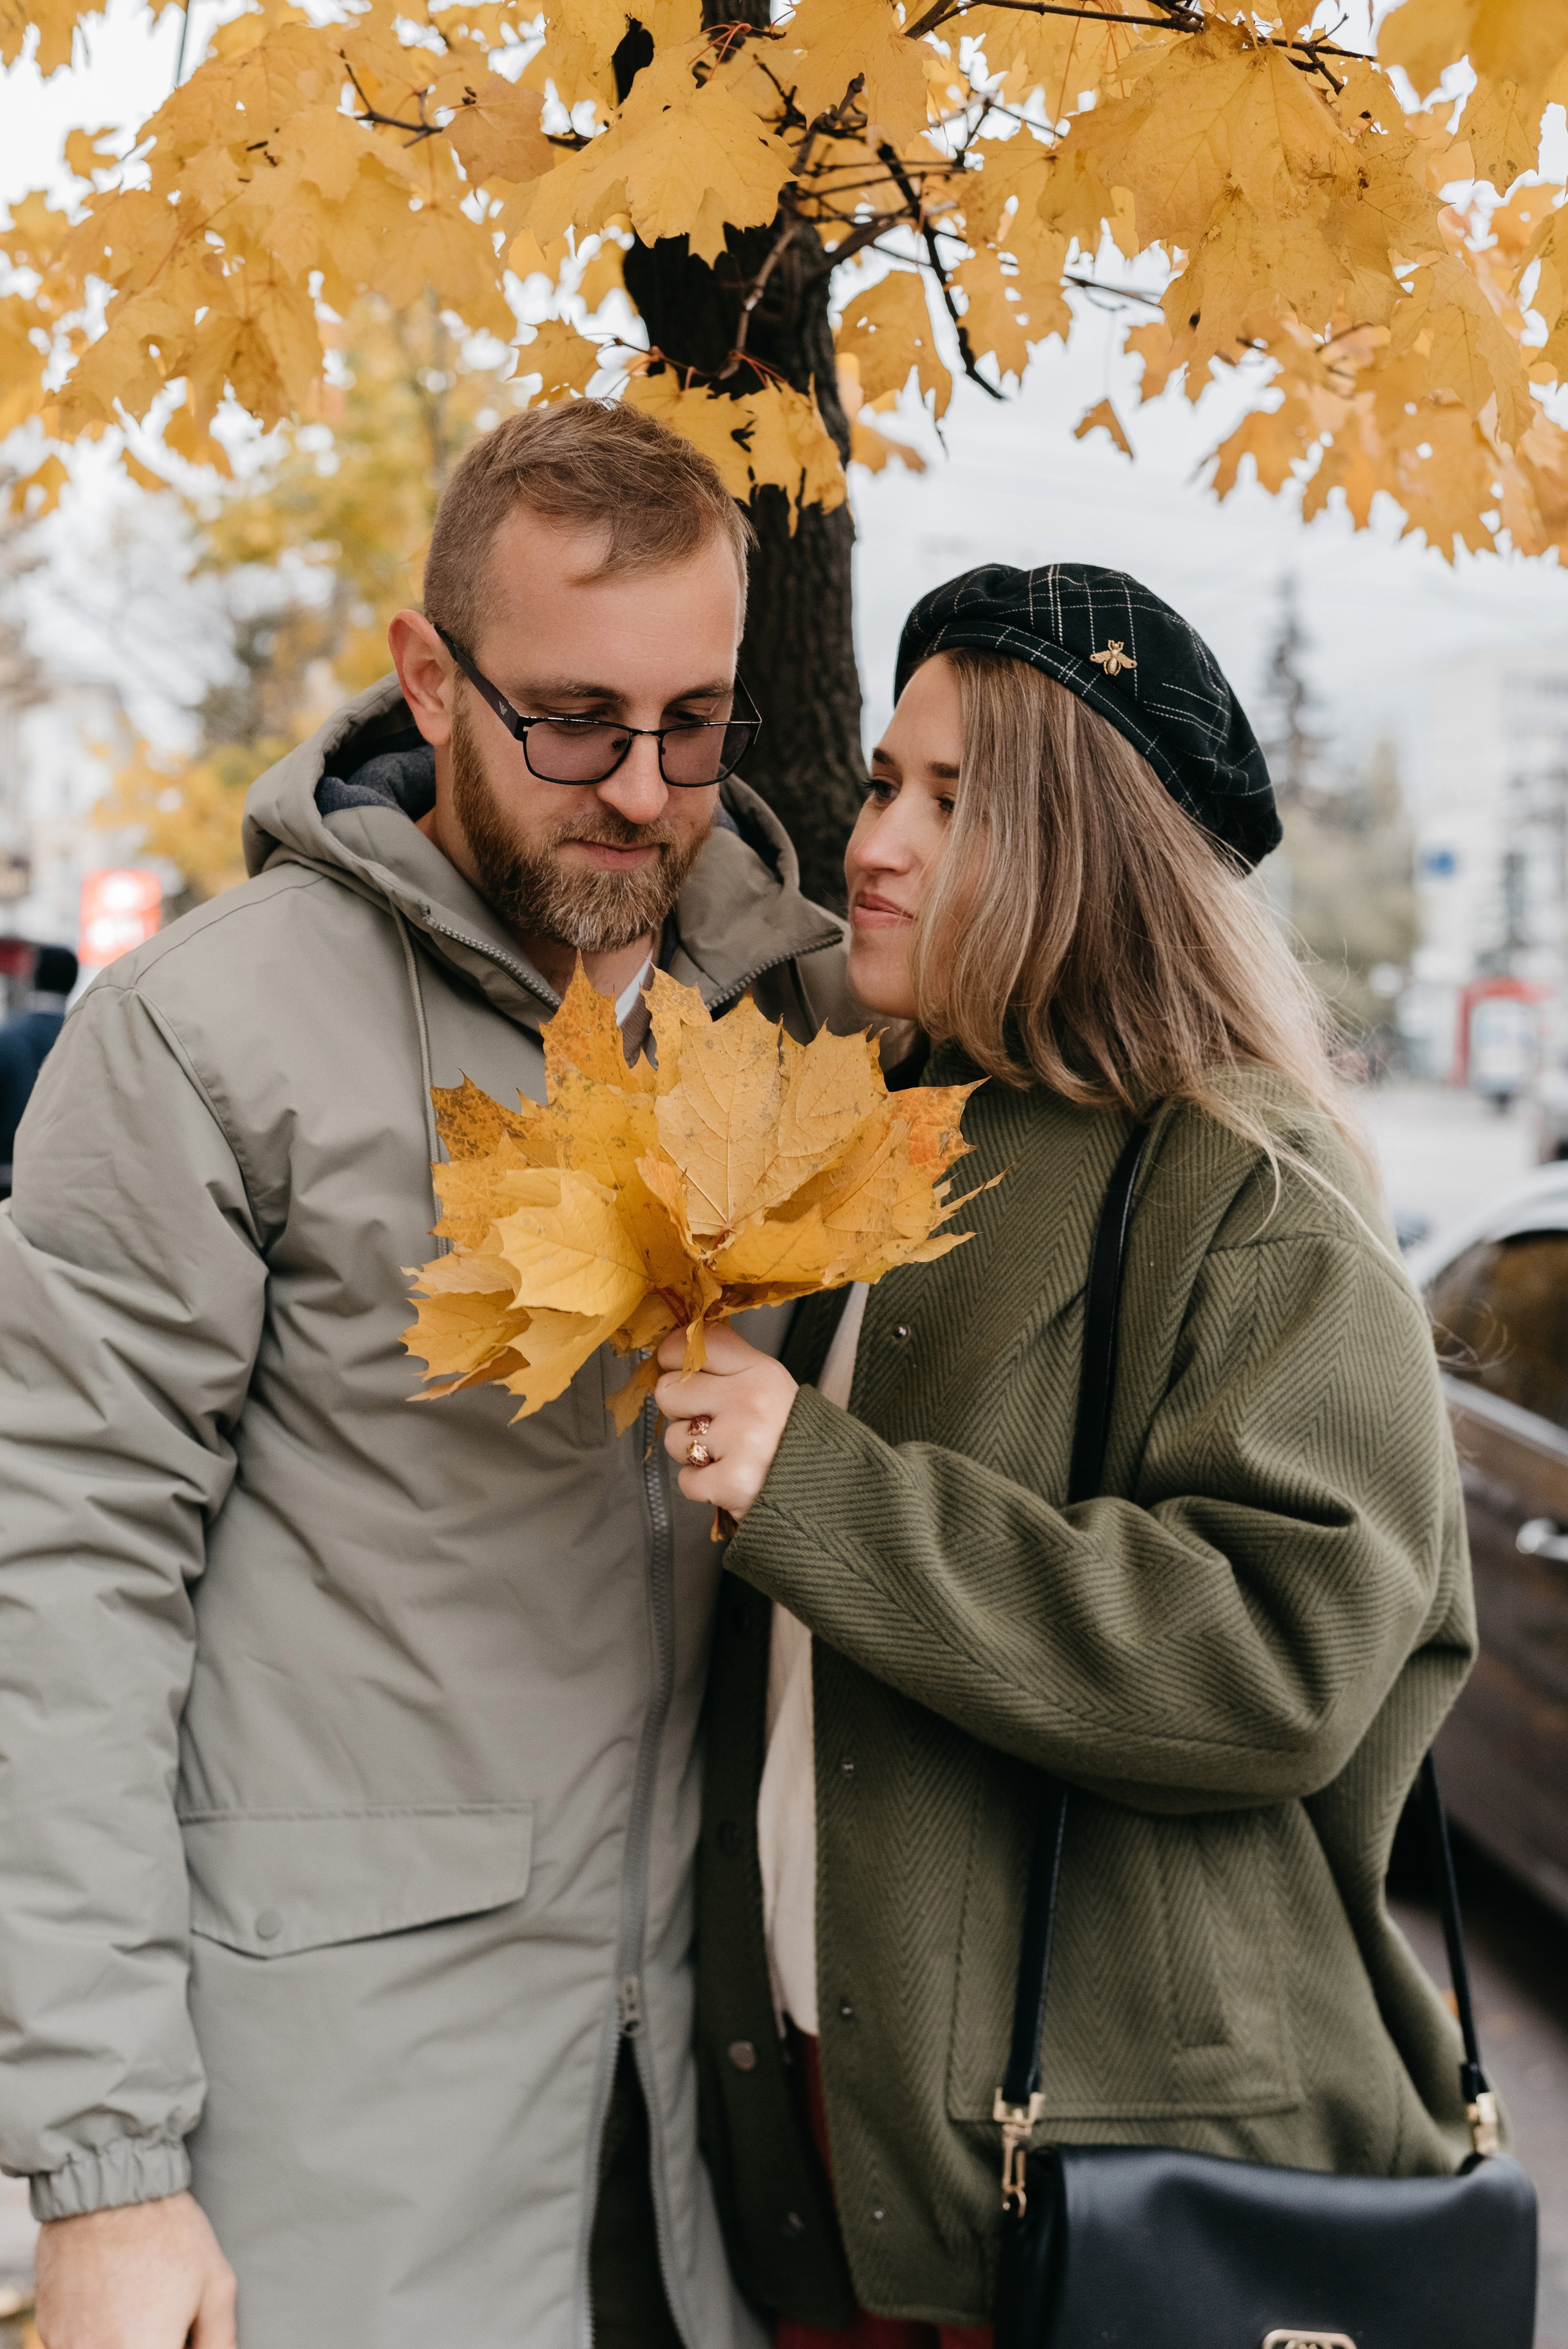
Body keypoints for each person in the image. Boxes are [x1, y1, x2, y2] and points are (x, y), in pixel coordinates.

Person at [0, 400, 865, 2349]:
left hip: (704, 2143)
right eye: (571, 719)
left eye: (695, 724)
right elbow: (54, 1591)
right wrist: (107, 2170)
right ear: (427, 673)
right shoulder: (202, 1038)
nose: (641, 791)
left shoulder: (787, 1014)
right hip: (344, 2128)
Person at [654, 565, 1479, 2343]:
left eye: (955, 802)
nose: (878, 838)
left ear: (1082, 850)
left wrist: (819, 1487)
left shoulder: (1244, 1180)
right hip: (841, 2126)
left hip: (1115, 2185)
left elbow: (1280, 1659)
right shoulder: (878, 1138)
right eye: (885, 781)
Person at [0, 943, 76, 1197]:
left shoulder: (7, 1038)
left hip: (6, 1179)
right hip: (64, 1185)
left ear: (33, 976)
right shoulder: (85, 1040)